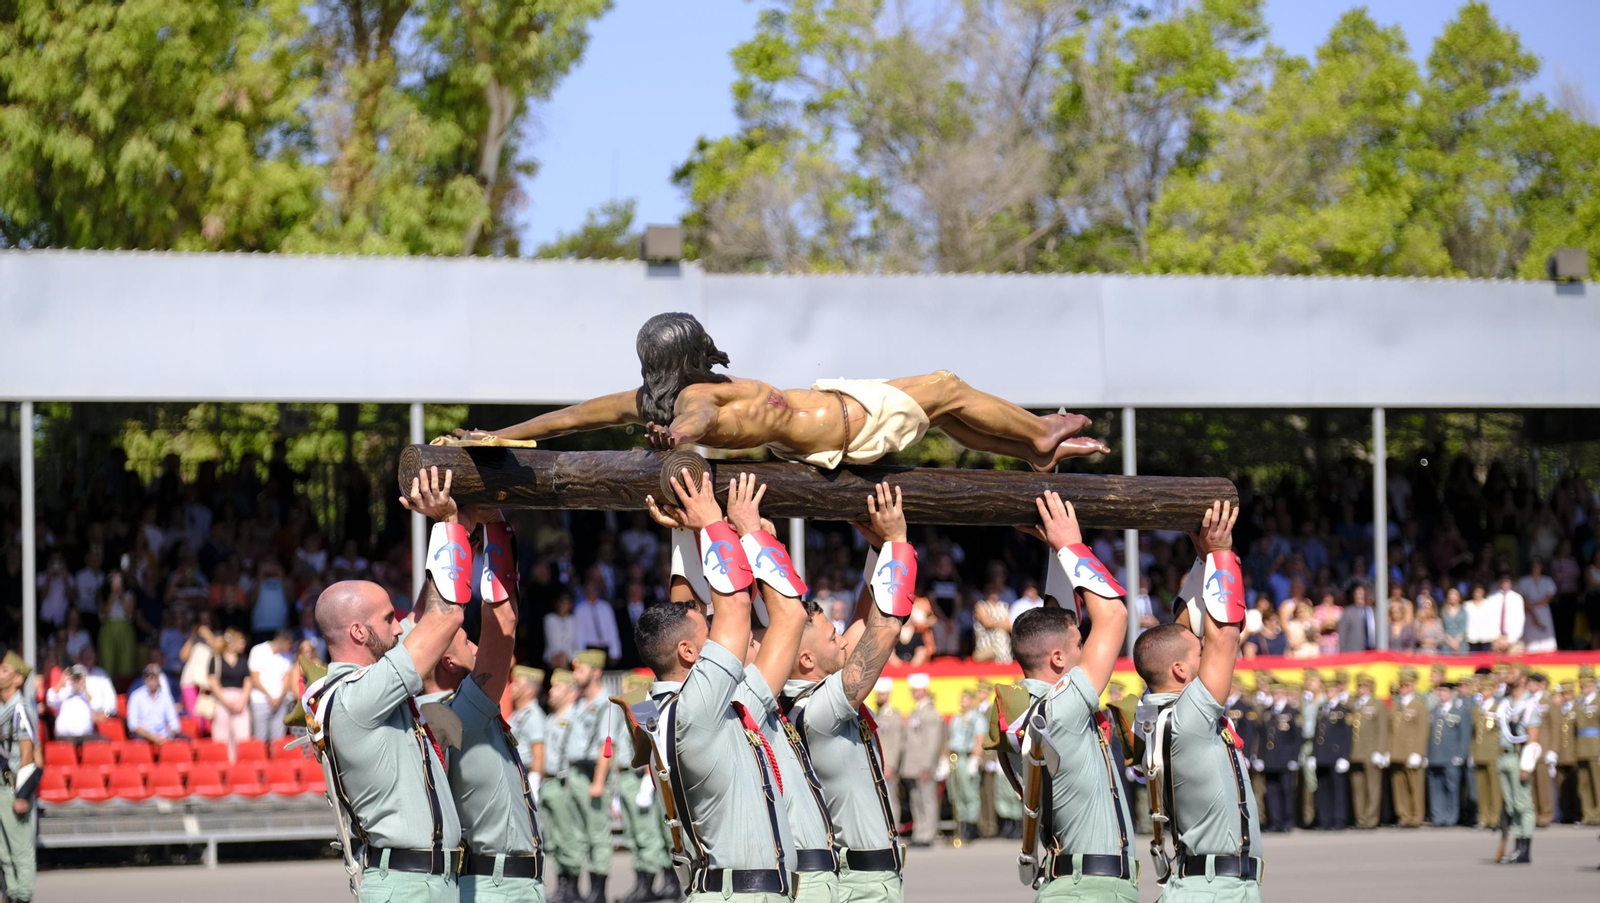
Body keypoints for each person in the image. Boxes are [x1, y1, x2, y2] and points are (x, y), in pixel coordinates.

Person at [447, 312, 1108, 472]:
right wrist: (674, 438)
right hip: (846, 426)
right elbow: (695, 421)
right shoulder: (693, 401)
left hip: (839, 412)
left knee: (944, 410)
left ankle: (1030, 445)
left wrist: (494, 436)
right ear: (692, 351)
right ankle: (1038, 432)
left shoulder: (648, 396)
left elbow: (569, 417)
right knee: (946, 385)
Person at [628, 468, 799, 902]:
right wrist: (714, 523)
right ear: (688, 653)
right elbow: (736, 605)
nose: (716, 628)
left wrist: (691, 535)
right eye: (707, 630)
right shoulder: (699, 708)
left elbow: (688, 609)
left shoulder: (666, 709)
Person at [299, 466, 468, 900]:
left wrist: (455, 525)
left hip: (428, 881)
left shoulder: (370, 682)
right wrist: (447, 523)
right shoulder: (358, 695)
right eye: (388, 620)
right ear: (358, 632)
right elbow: (446, 616)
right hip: (408, 885)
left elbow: (425, 613)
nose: (399, 629)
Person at [989, 491, 1136, 901]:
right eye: (1079, 644)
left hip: (1076, 884)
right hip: (1089, 890)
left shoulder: (1035, 710)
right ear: (1056, 658)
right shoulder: (1061, 708)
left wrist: (1056, 550)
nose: (1085, 648)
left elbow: (1061, 619)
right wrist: (1072, 544)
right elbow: (1115, 615)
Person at [781, 481, 916, 903]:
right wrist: (898, 543)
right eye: (831, 636)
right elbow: (885, 627)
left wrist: (877, 553)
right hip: (862, 884)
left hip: (865, 877)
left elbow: (862, 618)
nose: (842, 639)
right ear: (806, 661)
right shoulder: (817, 709)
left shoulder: (813, 693)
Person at [1133, 500, 1263, 901]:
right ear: (1179, 671)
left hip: (1205, 883)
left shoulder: (1157, 706)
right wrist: (1222, 551)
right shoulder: (1188, 715)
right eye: (1198, 653)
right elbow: (1225, 635)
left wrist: (1203, 560)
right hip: (1213, 890)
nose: (1206, 650)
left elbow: (1179, 630)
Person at [411, 513, 543, 903]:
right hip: (499, 886)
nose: (474, 648)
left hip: (489, 882)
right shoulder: (455, 712)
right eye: (467, 643)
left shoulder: (427, 713)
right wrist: (497, 522)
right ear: (448, 662)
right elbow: (502, 621)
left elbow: (420, 621)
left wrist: (458, 534)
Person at [611, 673, 674, 903]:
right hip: (627, 779)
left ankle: (657, 883)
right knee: (635, 835)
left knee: (649, 835)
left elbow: (654, 746)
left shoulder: (643, 705)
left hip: (641, 779)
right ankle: (644, 882)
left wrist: (649, 783)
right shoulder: (628, 709)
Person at [562, 648, 614, 903]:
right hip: (577, 772)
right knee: (579, 834)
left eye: (581, 669)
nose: (576, 674)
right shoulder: (580, 702)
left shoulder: (604, 702)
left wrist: (599, 782)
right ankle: (584, 889)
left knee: (597, 834)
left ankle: (598, 892)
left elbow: (607, 747)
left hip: (593, 772)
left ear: (596, 672)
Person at [541, 671, 584, 901]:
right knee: (553, 837)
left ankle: (573, 886)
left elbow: (572, 754)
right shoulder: (551, 718)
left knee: (568, 835)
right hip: (548, 782)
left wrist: (569, 784)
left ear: (570, 691)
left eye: (557, 687)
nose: (551, 691)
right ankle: (562, 883)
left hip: (562, 782)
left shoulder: (574, 716)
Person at [0, 652, 39, 903]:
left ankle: (22, 897)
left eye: (4, 670)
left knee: (20, 851)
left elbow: (28, 754)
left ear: (17, 679)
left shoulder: (19, 709)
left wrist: (22, 795)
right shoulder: (4, 708)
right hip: (1, 785)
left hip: (13, 787)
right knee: (4, 852)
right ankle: (12, 895)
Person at [1494, 666, 1542, 863]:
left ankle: (1525, 850)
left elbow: (1533, 736)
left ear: (1523, 679)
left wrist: (1526, 765)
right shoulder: (1505, 703)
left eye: (1513, 673)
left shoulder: (1529, 703)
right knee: (1512, 805)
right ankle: (1517, 847)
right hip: (1504, 756)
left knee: (1523, 805)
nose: (1508, 676)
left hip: (1518, 756)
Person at [902, 674, 943, 848]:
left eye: (917, 690)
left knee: (927, 799)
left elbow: (933, 742)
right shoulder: (916, 710)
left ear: (924, 690)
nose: (914, 693)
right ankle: (919, 831)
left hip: (923, 764)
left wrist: (927, 765)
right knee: (916, 799)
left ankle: (928, 834)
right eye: (913, 690)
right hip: (912, 764)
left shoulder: (930, 713)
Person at [1388, 667, 1428, 829]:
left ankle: (1416, 816)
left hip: (1411, 752)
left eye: (1406, 685)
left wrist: (1418, 752)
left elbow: (1422, 730)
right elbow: (1390, 730)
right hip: (1396, 752)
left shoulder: (1418, 705)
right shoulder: (1396, 705)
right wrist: (1387, 750)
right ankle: (1404, 815)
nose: (1402, 688)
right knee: (1400, 787)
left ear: (1413, 686)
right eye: (1401, 685)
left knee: (1415, 787)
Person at [1348, 673, 1388, 830]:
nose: (1361, 689)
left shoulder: (1378, 704)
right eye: (1359, 686)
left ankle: (1372, 818)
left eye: (1364, 686)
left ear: (1371, 687)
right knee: (1358, 788)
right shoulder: (1353, 704)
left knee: (1373, 787)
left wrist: (1380, 750)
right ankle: (1361, 818)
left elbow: (1383, 729)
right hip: (1355, 752)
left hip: (1371, 751)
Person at [1258, 682, 1300, 833]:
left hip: (1285, 758)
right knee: (1271, 792)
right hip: (1270, 758)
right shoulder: (1267, 712)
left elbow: (1297, 738)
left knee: (1286, 790)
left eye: (1279, 693)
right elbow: (1262, 737)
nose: (1276, 696)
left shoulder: (1292, 712)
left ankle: (1288, 821)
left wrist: (1295, 758)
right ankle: (1275, 821)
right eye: (1274, 694)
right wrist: (1260, 757)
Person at [945, 688, 984, 846]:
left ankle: (970, 826)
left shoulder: (977, 718)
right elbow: (950, 738)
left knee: (970, 793)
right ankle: (960, 825)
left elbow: (979, 739)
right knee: (956, 792)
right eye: (962, 698)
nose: (963, 701)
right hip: (956, 757)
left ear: (972, 700)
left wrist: (975, 758)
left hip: (968, 757)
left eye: (966, 699)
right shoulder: (956, 717)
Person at [1426, 681, 1468, 827]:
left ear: (1451, 694)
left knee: (1452, 788)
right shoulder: (1433, 711)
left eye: (1444, 692)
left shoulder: (1459, 712)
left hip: (1451, 757)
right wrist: (1426, 754)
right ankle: (1438, 816)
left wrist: (1461, 755)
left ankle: (1451, 817)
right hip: (1434, 756)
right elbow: (1428, 735)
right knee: (1435, 788)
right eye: (1440, 692)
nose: (1441, 695)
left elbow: (1464, 735)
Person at [1313, 679, 1352, 831]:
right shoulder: (1322, 709)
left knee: (1338, 789)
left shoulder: (1344, 710)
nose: (1329, 693)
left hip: (1336, 754)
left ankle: (1339, 819)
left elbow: (1347, 735)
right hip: (1322, 754)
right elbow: (1318, 733)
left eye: (1331, 691)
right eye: (1327, 691)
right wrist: (1314, 754)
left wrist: (1345, 756)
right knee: (1323, 788)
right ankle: (1325, 819)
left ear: (1337, 691)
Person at [209, 629, 254, 754]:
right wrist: (226, 701)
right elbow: (213, 681)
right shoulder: (216, 659)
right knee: (221, 736)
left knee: (242, 735)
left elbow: (248, 681)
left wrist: (242, 701)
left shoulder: (243, 660)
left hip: (240, 699)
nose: (243, 644)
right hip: (223, 699)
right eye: (241, 641)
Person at [248, 630, 296, 743]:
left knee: (278, 738)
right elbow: (254, 678)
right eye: (289, 643)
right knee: (260, 738)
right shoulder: (258, 650)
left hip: (280, 703)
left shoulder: (287, 656)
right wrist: (269, 696)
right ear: (281, 641)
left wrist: (279, 698)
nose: (290, 647)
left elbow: (287, 679)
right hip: (260, 701)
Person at [1471, 673, 1505, 830]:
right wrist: (1472, 753)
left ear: (1492, 691)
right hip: (1479, 752)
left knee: (1495, 787)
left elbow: (1501, 732)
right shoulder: (1477, 710)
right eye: (1481, 690)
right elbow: (1474, 734)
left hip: (1493, 752)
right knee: (1482, 787)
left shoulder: (1498, 708)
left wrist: (1501, 751)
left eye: (1486, 690)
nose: (1483, 693)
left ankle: (1495, 817)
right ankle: (1484, 817)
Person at [873, 679, 907, 831]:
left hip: (887, 765)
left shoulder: (892, 715)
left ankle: (893, 829)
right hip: (879, 763)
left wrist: (890, 765)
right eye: (878, 694)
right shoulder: (879, 713)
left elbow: (896, 743)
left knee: (891, 798)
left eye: (882, 694)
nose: (879, 697)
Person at [127, 664, 184, 743]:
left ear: (158, 679)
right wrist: (153, 738)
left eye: (153, 677)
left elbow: (175, 724)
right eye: (148, 677)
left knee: (184, 741)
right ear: (144, 679)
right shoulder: (136, 696)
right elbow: (133, 725)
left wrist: (167, 737)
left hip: (164, 738)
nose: (151, 680)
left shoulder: (166, 697)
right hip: (143, 739)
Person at [1516, 559, 1558, 654]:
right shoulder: (1524, 581)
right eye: (1534, 566)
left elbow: (1547, 599)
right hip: (1529, 613)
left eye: (1538, 566)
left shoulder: (1547, 581)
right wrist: (1533, 614)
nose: (1536, 568)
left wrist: (1532, 604)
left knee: (1547, 645)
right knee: (1530, 645)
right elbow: (1523, 599)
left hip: (1544, 613)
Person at [1576, 666, 1600, 826]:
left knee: (1597, 782)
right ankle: (1588, 814)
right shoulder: (1578, 702)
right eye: (1582, 685)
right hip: (1581, 747)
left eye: (1586, 685)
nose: (1583, 688)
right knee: (1584, 783)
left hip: (1596, 746)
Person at [1337, 585, 1376, 653]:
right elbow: (1342, 635)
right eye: (1357, 594)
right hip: (1354, 653)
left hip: (1373, 651)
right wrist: (1343, 652)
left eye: (1362, 593)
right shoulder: (1348, 612)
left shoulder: (1372, 611)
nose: (1360, 596)